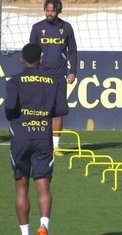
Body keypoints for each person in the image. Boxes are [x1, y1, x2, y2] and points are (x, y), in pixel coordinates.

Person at [5, 43, 69, 235]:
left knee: (21, 188)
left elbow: (9, 108)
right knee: (44, 187)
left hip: (21, 137)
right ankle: (44, 226)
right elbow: (61, 109)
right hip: (43, 136)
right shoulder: (52, 81)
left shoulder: (14, 80)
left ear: (22, 60)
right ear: (41, 60)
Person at [29, 0, 77, 156]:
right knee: (41, 112)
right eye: (47, 10)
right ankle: (41, 144)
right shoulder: (37, 28)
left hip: (59, 75)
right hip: (42, 76)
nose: (49, 14)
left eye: (53, 11)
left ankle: (56, 147)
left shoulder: (66, 28)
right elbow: (31, 50)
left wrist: (72, 71)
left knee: (58, 111)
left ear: (58, 11)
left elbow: (72, 52)